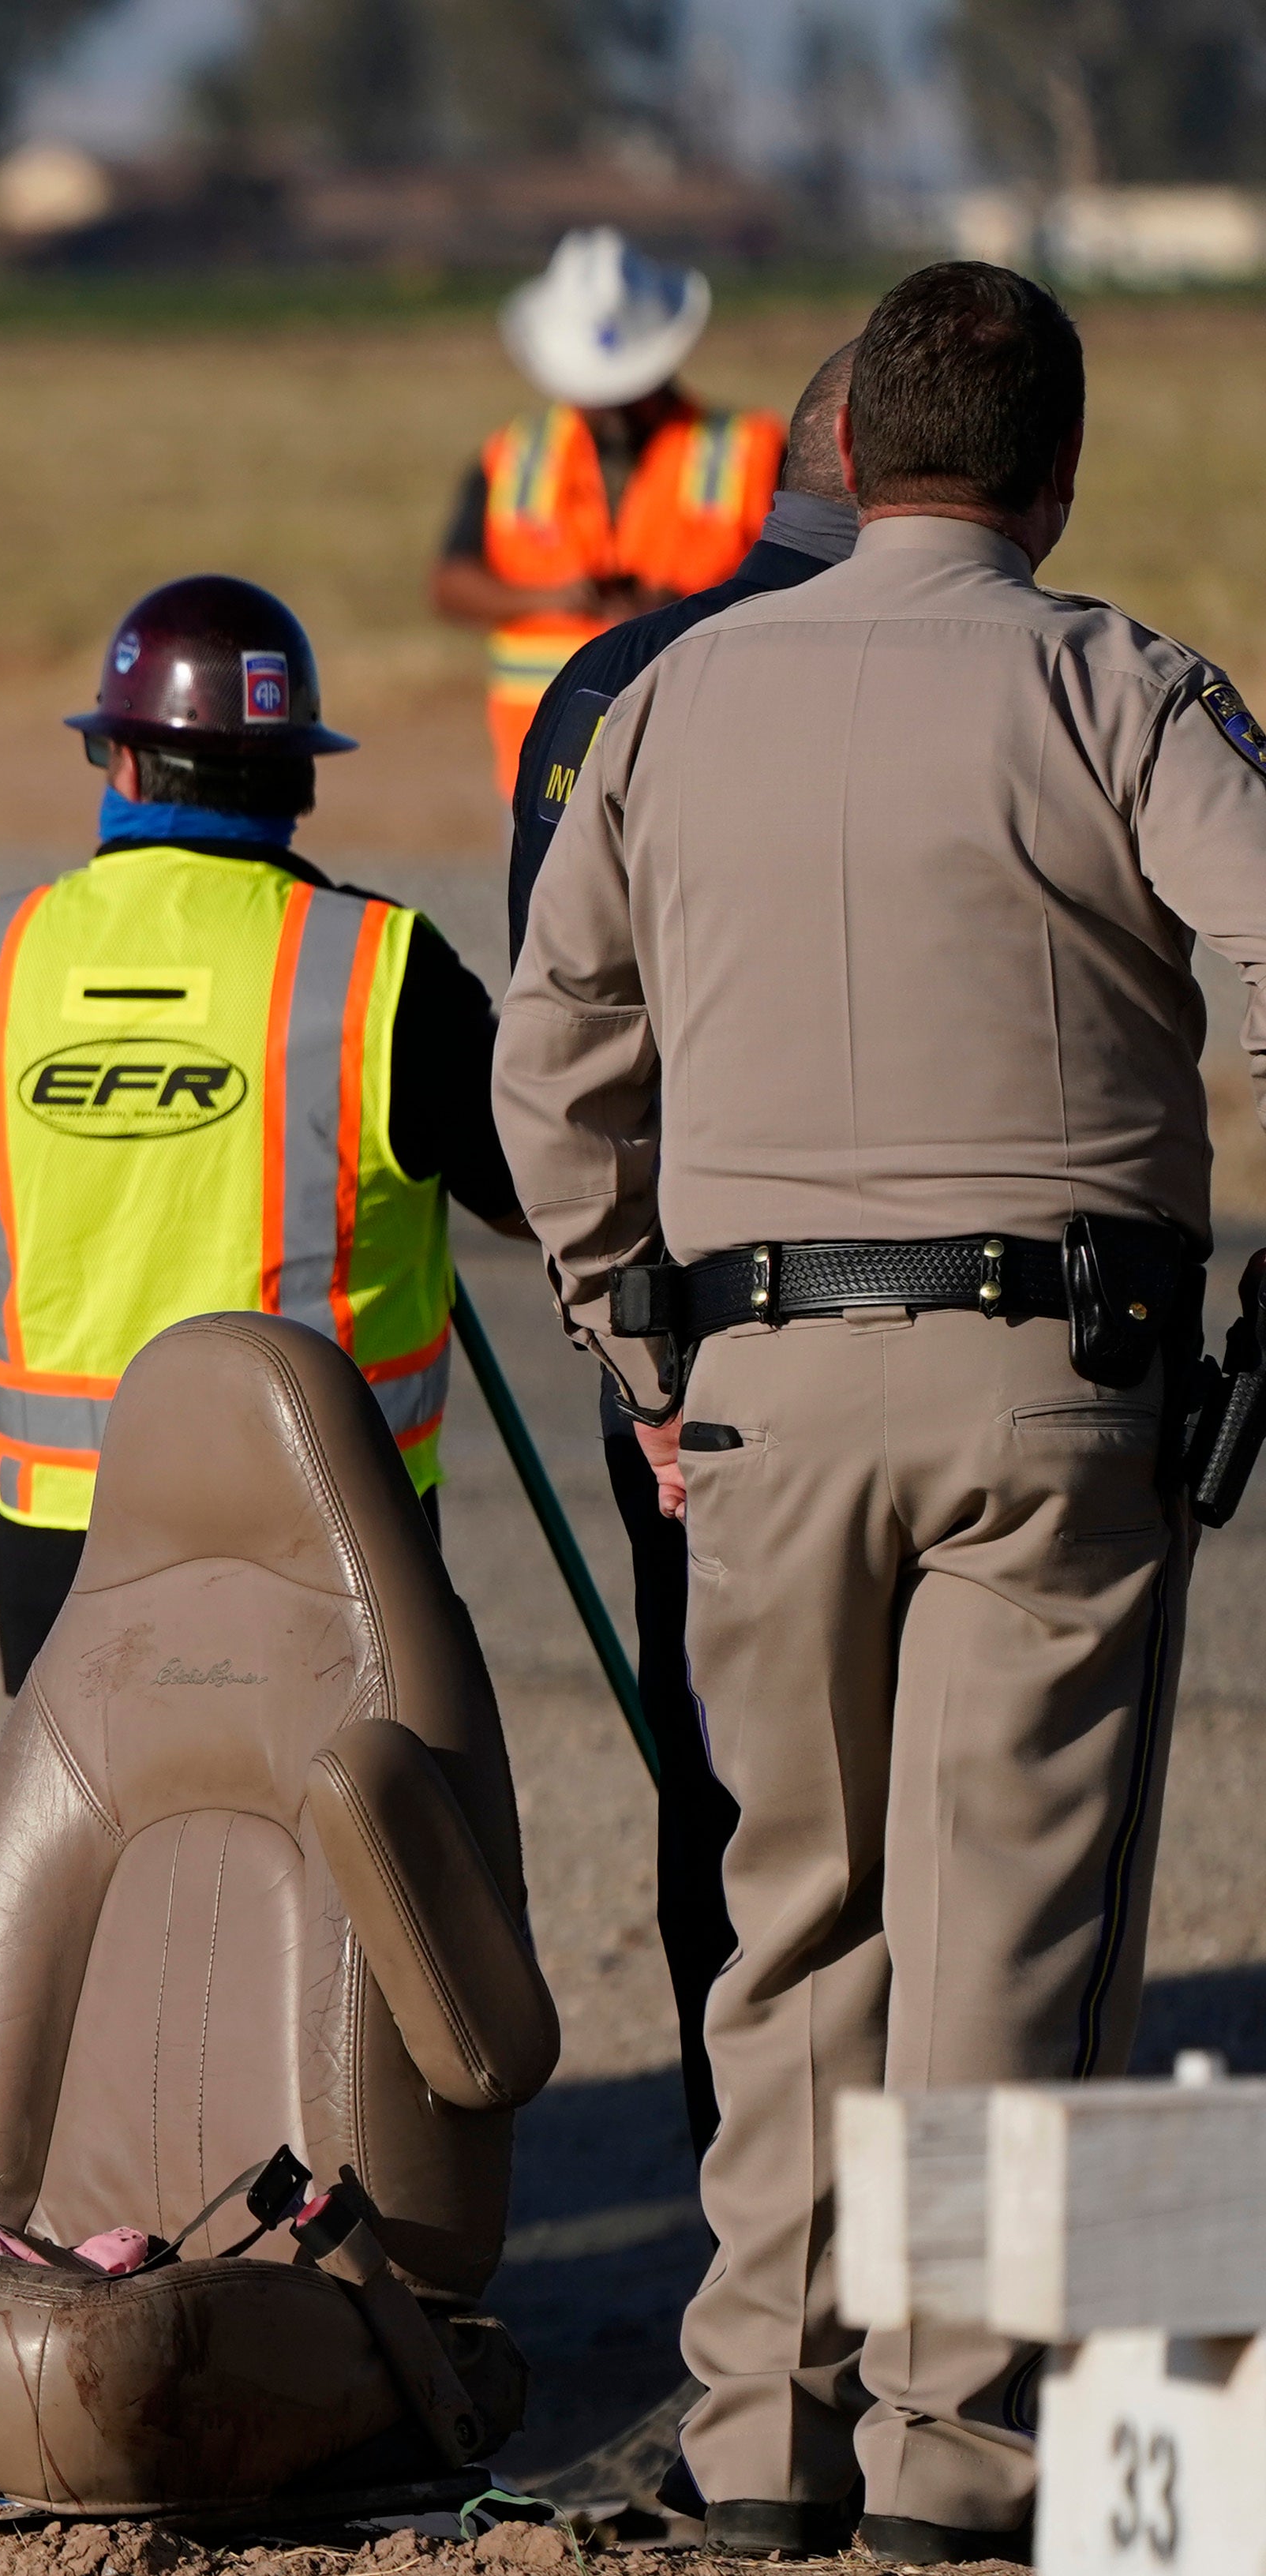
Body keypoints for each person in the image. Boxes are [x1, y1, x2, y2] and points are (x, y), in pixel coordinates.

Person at [501, 260, 1266, 2565]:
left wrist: (647, 1360)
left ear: (834, 455)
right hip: (1052, 1387)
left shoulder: (662, 699)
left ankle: (757, 2428)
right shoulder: (1110, 683)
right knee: (1008, 1914)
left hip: (746, 1389)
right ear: (1050, 476)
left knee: (785, 1919)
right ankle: (964, 2452)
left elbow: (552, 1082)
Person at [0, 576, 524, 1691]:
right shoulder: (383, 970)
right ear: (299, 778)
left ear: (124, 765)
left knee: (107, 1857)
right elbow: (536, 1192)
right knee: (355, 1855)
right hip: (328, 1533)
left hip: (61, 1542)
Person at [501, 336, 860, 2163]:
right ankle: (952, 2310)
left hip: (688, 1346)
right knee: (974, 1816)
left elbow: (560, 1061)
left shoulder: (606, 683)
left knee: (724, 1790)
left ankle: (757, 2232)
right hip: (966, 1344)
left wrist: (633, 1351)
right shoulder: (1025, 665)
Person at [430, 228, 781, 795]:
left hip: (702, 770)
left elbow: (810, 587)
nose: (613, 408)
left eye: (629, 388)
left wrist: (684, 612)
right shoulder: (513, 456)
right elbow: (450, 584)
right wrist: (548, 599)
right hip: (546, 775)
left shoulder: (753, 451)